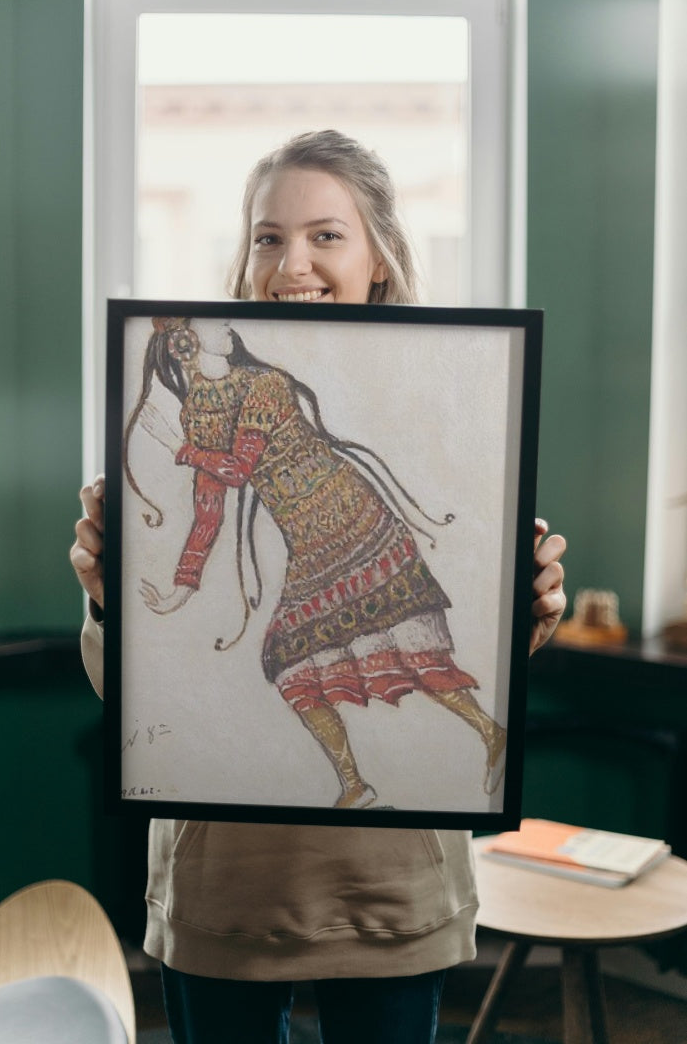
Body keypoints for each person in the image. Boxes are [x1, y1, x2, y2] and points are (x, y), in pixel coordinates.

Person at [71, 130, 567, 1044]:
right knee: (294, 659)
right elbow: (147, 666)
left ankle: (444, 746)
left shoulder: (447, 393)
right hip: (222, 892)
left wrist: (523, 614)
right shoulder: (202, 404)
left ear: (378, 255)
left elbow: (492, 633)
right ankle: (355, 777)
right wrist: (127, 603)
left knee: (394, 647)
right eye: (267, 237)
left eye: (324, 235)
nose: (290, 262)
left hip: (390, 892)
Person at [129, 313, 506, 805]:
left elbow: (239, 469)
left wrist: (180, 450)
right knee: (290, 666)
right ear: (186, 339)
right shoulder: (197, 413)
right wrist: (181, 586)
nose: (228, 325)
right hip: (310, 545)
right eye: (212, 321)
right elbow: (208, 510)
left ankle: (490, 735)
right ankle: (355, 786)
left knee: (407, 645)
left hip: (354, 520)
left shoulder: (265, 385)